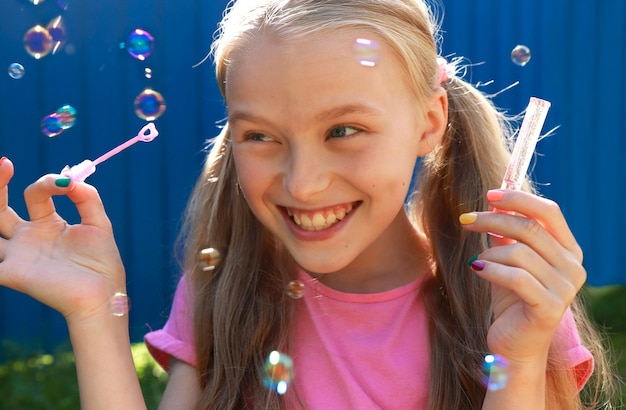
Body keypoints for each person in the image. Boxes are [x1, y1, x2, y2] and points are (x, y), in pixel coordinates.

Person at [0, 0, 618, 408]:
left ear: (430, 123)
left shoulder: (511, 302)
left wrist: (519, 352)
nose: (302, 184)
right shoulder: (225, 291)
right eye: (262, 136)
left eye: (343, 130)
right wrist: (93, 315)